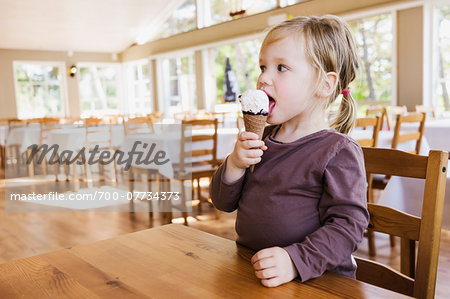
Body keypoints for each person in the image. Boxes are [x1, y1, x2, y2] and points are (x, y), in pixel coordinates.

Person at [210, 15, 369, 287]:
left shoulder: (337, 151)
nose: (263, 78)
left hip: (317, 282)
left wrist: (295, 260)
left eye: (281, 67)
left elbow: (348, 228)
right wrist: (235, 164)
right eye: (263, 67)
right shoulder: (263, 139)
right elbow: (223, 202)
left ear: (324, 84)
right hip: (254, 272)